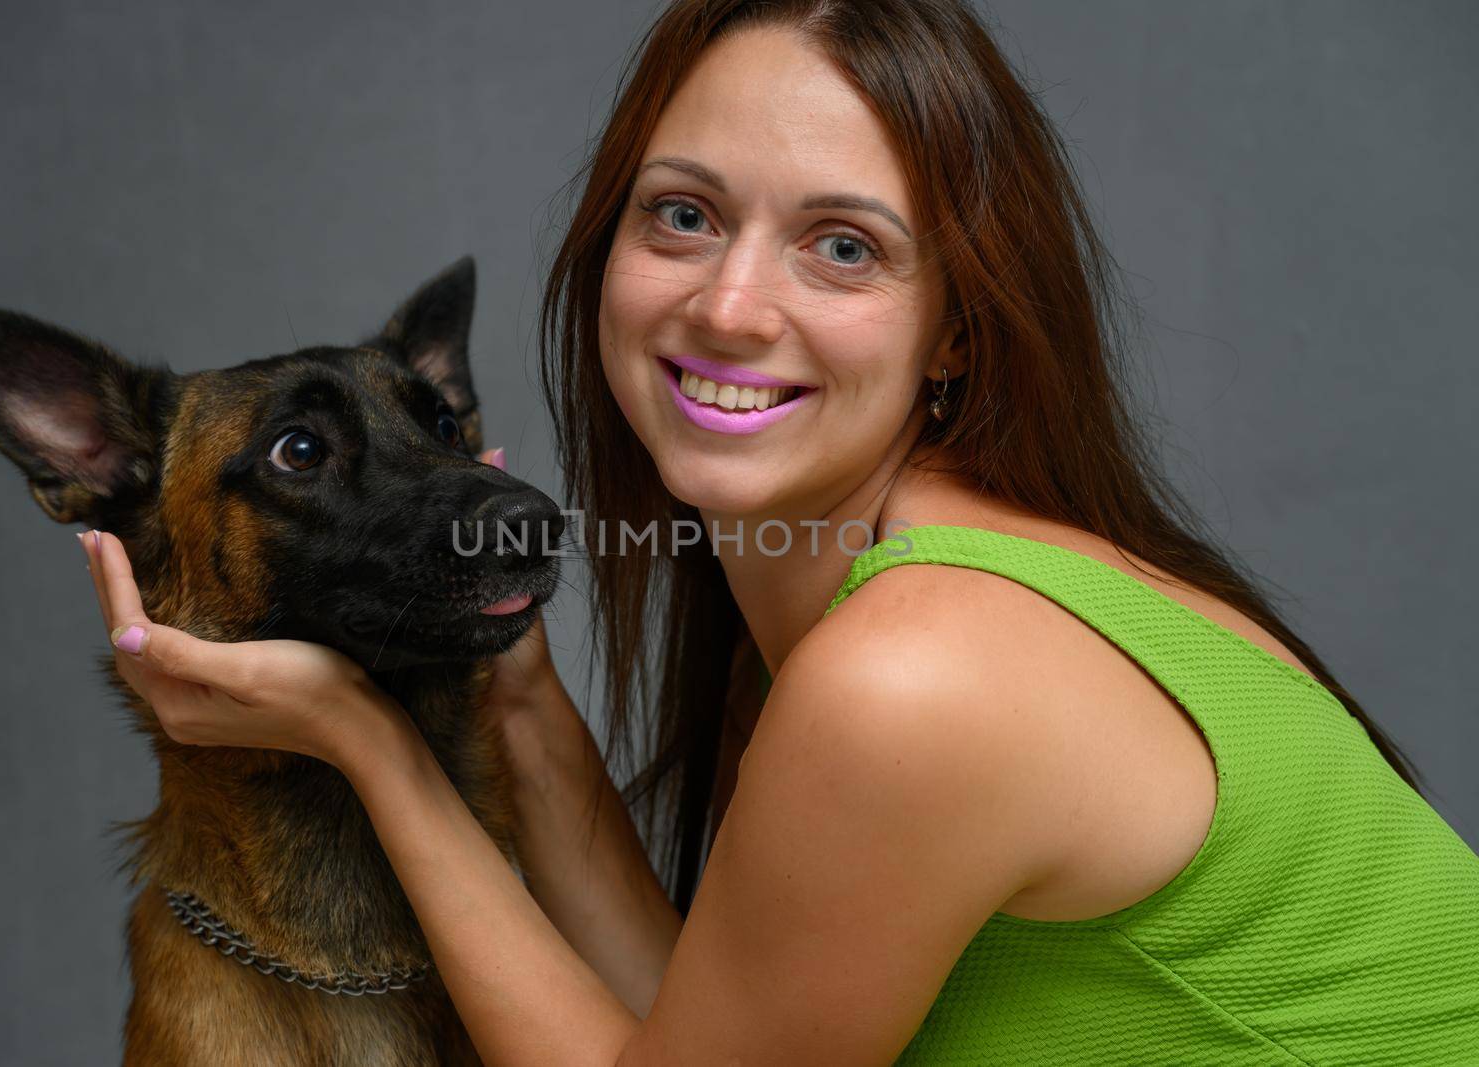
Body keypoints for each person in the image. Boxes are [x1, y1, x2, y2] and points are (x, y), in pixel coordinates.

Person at [76, 1, 1479, 1062]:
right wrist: (516, 687)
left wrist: (369, 741)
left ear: (959, 331)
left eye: (843, 245)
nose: (733, 306)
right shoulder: (924, 587)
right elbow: (695, 1034)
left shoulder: (915, 675)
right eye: (683, 216)